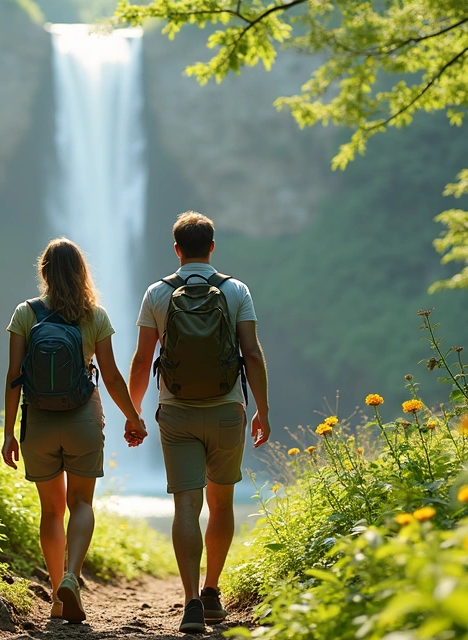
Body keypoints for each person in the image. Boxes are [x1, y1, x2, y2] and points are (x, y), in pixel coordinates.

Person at [128, 211, 271, 634]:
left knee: (186, 506)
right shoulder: (236, 290)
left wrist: (134, 413)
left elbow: (141, 360)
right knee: (221, 503)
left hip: (177, 413)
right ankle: (212, 592)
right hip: (228, 410)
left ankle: (190, 601)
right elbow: (253, 354)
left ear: (177, 249)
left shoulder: (157, 292)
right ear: (211, 246)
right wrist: (262, 408)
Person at [0, 238, 147, 624]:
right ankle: (72, 576)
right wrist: (133, 417)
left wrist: (8, 432)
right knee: (81, 504)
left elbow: (14, 376)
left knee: (51, 509)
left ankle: (56, 599)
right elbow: (112, 376)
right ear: (82, 272)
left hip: (38, 423)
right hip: (82, 419)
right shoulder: (94, 315)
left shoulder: (25, 314)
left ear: (44, 271)